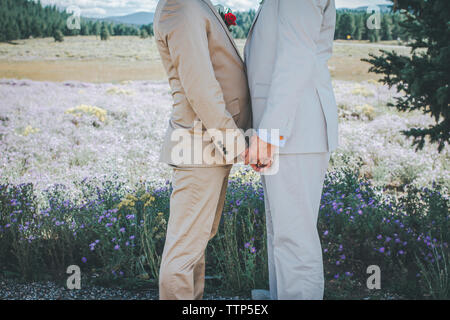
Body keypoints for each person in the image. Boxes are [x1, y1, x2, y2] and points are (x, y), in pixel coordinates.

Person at [153, 0, 251, 300]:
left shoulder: (195, 4)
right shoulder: (179, 8)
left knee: (195, 245)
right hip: (200, 143)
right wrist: (236, 143)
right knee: (184, 252)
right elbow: (200, 87)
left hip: (209, 145)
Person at [244, 0, 339, 300]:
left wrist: (269, 134)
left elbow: (295, 58)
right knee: (283, 235)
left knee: (295, 239)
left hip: (296, 130)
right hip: (290, 130)